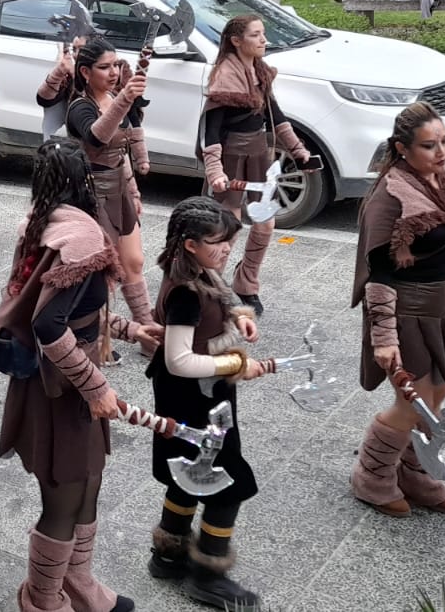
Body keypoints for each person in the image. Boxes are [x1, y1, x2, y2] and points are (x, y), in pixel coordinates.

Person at [0, 139, 153, 612]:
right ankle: (42, 600)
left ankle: (77, 582)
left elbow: (76, 310)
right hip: (61, 388)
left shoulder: (47, 220)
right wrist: (96, 387)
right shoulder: (80, 239)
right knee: (66, 496)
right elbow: (47, 325)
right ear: (86, 180)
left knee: (88, 480)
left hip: (65, 380)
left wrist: (130, 329)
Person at [350, 102, 445, 518]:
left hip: (441, 306)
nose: (442, 152)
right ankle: (372, 475)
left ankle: (413, 472)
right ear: (402, 148)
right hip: (405, 310)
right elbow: (378, 274)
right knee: (414, 401)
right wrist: (384, 338)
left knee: (439, 392)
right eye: (430, 145)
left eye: (444, 141)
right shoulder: (389, 198)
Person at [144, 197, 267, 608]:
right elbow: (178, 360)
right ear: (191, 244)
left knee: (185, 472)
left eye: (230, 240)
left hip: (197, 392)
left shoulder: (195, 269)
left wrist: (239, 316)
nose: (227, 249)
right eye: (218, 242)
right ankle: (209, 576)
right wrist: (236, 363)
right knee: (227, 481)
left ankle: (168, 554)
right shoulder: (185, 294)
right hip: (196, 398)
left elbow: (224, 295)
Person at [201, 15, 320, 316]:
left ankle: (246, 285)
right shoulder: (224, 77)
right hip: (231, 156)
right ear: (236, 41)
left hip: (259, 154)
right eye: (255, 34)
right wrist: (215, 170)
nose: (263, 40)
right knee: (228, 227)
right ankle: (211, 288)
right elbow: (210, 131)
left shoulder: (260, 72)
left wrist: (299, 151)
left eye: (263, 33)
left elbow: (276, 117)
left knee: (265, 224)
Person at [65, 37, 154, 327]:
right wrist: (125, 99)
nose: (114, 72)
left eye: (116, 65)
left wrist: (134, 192)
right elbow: (97, 137)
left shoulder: (115, 98)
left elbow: (121, 154)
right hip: (91, 194)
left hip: (119, 190)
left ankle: (147, 327)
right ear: (85, 72)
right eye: (104, 67)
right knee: (101, 270)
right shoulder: (80, 106)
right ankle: (96, 333)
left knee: (134, 261)